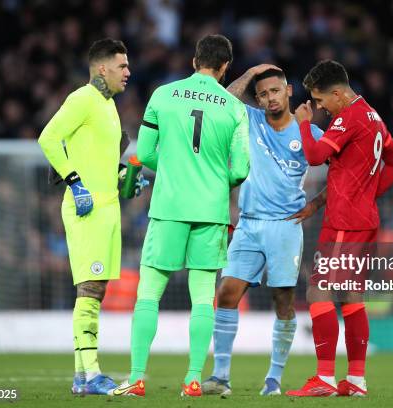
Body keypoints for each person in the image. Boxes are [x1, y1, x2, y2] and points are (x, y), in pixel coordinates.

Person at [110, 34, 250, 397]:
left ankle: (137, 377)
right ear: (224, 68)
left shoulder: (162, 95)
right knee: (203, 296)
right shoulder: (234, 108)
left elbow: (147, 153)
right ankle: (192, 378)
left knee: (149, 293)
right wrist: (215, 176)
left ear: (194, 61)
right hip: (211, 211)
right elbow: (241, 169)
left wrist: (172, 166)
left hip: (169, 207)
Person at [200, 65, 324, 396]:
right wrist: (253, 71)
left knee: (282, 301)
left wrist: (315, 204)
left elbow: (341, 169)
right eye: (263, 93)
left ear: (288, 92)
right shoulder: (251, 120)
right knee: (226, 292)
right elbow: (221, 97)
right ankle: (221, 377)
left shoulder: (307, 131)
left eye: (274, 91)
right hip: (249, 223)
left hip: (285, 226)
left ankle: (273, 379)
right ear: (258, 99)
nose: (269, 98)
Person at [286, 60, 393, 397]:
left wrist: (305, 124)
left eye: (321, 100)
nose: (320, 107)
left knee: (318, 288)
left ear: (338, 93)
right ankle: (355, 381)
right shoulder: (372, 116)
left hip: (345, 223)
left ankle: (324, 379)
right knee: (353, 295)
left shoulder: (348, 117)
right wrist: (359, 195)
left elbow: (313, 156)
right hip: (362, 219)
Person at [38, 38, 140, 395]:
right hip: (87, 208)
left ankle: (83, 378)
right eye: (122, 66)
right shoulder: (82, 98)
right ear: (102, 68)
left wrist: (124, 178)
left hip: (108, 207)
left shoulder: (108, 106)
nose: (128, 72)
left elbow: (99, 161)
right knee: (90, 288)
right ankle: (92, 374)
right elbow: (48, 138)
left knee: (96, 291)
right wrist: (74, 182)